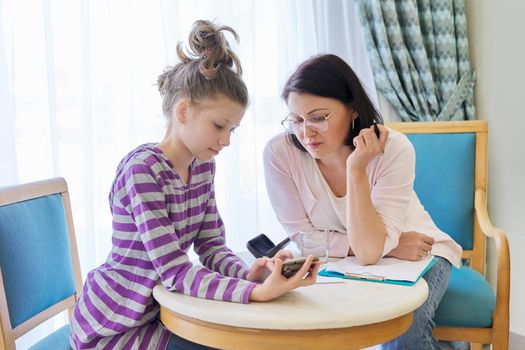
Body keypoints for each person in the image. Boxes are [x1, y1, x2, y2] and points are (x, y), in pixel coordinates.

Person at [70, 20, 319, 350]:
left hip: (161, 312)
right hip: (116, 323)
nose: (226, 140)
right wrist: (254, 293)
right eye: (219, 126)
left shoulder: (203, 167)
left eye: (233, 130)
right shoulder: (142, 171)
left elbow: (211, 246)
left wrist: (248, 275)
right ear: (183, 111)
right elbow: (175, 272)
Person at [263, 54, 462, 349]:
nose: (306, 133)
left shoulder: (393, 149)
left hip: (421, 252)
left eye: (319, 117)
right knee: (302, 323)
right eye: (296, 120)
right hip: (361, 258)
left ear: (353, 109)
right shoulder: (280, 153)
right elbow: (303, 239)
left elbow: (368, 252)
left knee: (404, 329)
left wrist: (356, 169)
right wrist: (392, 245)